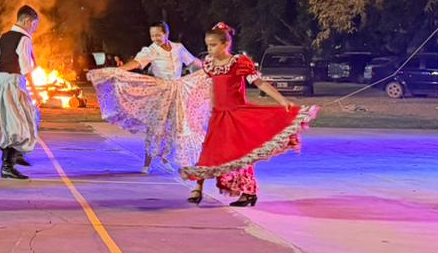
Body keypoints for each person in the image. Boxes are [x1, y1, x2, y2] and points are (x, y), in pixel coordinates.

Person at [182, 23, 318, 206]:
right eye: (207, 45)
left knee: (241, 153)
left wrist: (281, 100)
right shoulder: (210, 65)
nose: (209, 49)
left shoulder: (238, 63)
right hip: (219, 115)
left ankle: (248, 192)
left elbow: (260, 83)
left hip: (238, 114)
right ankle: (198, 187)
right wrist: (212, 108)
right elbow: (213, 87)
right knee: (209, 149)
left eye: (213, 45)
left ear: (225, 44)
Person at [87, 21, 210, 172]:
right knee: (155, 126)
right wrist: (119, 70)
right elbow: (137, 62)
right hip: (160, 91)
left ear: (166, 33)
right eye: (152, 36)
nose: (155, 38)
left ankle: (165, 159)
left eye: (158, 35)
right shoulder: (151, 50)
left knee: (172, 127)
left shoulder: (178, 48)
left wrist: (209, 67)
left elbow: (193, 62)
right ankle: (147, 163)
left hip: (177, 92)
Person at [0, 5, 41, 180]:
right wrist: (35, 92)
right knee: (18, 125)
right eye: (34, 25)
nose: (35, 29)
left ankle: (17, 154)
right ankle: (7, 165)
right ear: (27, 21)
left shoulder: (3, 37)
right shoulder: (24, 39)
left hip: (2, 81)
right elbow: (26, 68)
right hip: (13, 82)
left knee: (28, 118)